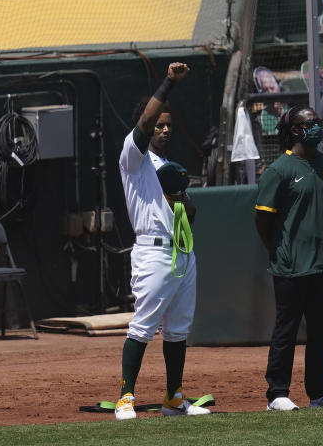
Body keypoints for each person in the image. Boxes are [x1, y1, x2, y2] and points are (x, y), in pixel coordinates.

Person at [115, 62, 211, 421]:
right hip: (153, 251)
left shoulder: (168, 167)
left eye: (169, 124)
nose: (165, 128)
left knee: (178, 329)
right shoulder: (134, 158)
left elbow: (191, 213)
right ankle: (126, 397)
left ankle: (173, 398)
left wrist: (182, 199)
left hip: (182, 253)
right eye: (160, 123)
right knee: (143, 326)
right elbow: (143, 123)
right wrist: (169, 82)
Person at [253, 105, 323, 412]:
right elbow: (263, 220)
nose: (317, 128)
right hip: (292, 265)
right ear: (295, 130)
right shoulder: (279, 169)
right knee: (286, 329)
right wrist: (280, 249)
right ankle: (277, 393)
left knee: (321, 331)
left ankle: (320, 393)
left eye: (318, 123)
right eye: (310, 124)